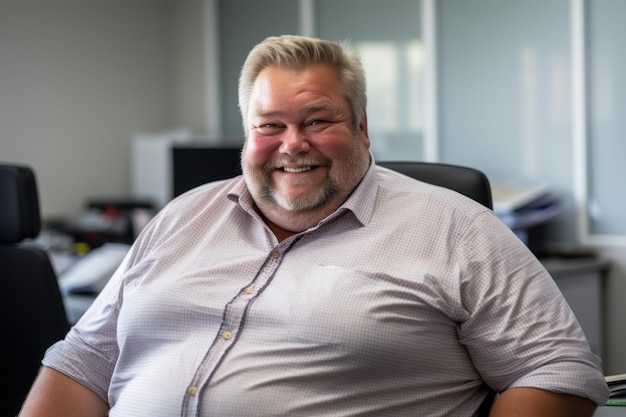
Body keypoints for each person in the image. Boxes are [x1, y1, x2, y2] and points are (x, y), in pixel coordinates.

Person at [19, 34, 608, 417]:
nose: (292, 145)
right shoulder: (182, 217)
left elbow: (558, 371)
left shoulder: (454, 227)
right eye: (269, 125)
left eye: (318, 120)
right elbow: (83, 360)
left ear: (363, 129)